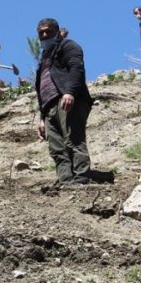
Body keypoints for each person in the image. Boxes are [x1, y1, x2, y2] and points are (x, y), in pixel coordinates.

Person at [33, 19, 94, 185]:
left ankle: (81, 179)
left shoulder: (68, 46)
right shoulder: (44, 58)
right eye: (41, 32)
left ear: (57, 31)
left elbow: (76, 68)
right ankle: (66, 181)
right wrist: (42, 118)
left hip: (66, 100)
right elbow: (40, 88)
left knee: (74, 140)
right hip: (49, 107)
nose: (44, 35)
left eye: (48, 31)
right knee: (56, 148)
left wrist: (69, 92)